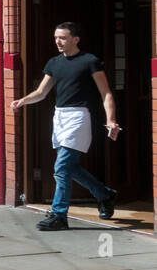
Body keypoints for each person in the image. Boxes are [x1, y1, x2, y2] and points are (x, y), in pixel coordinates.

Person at [11, 21, 120, 230]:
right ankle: (105, 195)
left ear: (75, 39)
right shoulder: (54, 63)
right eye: (56, 38)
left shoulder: (90, 61)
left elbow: (105, 93)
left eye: (62, 38)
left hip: (79, 117)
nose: (58, 42)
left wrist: (110, 120)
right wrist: (22, 101)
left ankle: (59, 215)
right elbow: (41, 92)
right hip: (60, 117)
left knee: (61, 167)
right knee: (70, 167)